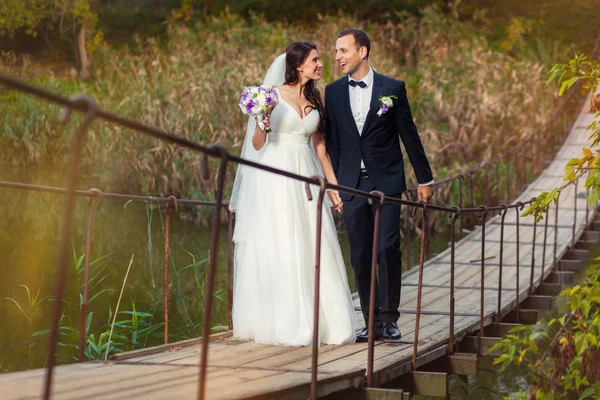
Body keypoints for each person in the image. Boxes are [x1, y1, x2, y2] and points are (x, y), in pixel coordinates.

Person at [229, 41, 356, 346]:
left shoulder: (314, 99)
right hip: (276, 175)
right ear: (300, 65)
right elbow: (258, 143)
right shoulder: (270, 96)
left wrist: (334, 187)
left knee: (314, 240)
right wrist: (264, 120)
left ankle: (326, 323)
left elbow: (321, 149)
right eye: (315, 60)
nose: (321, 64)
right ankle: (285, 322)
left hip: (309, 176)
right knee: (283, 241)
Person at [325, 28, 434, 343]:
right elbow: (331, 142)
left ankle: (389, 319)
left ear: (362, 51)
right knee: (359, 253)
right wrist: (335, 185)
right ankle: (370, 320)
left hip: (386, 180)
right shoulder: (332, 92)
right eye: (336, 52)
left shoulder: (393, 88)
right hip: (351, 184)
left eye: (343, 50)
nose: (338, 57)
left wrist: (424, 179)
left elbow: (409, 136)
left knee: (387, 248)